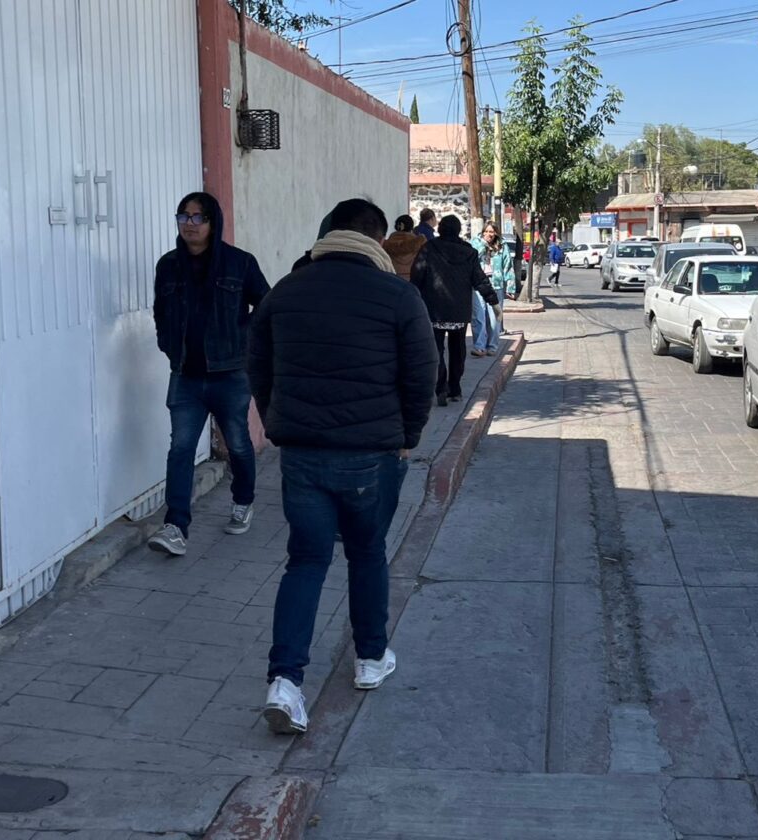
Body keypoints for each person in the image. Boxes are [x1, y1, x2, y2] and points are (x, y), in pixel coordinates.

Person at [247, 198, 437, 734]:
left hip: (302, 454)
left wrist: (278, 422)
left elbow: (257, 364)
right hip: (371, 456)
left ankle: (285, 684)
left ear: (326, 234)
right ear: (377, 240)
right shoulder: (398, 295)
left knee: (305, 562)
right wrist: (408, 437)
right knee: (367, 553)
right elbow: (421, 373)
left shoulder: (286, 291)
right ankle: (370, 658)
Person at [147, 192, 270, 557]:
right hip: (186, 375)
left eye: (198, 217)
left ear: (213, 222)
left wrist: (242, 342)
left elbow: (266, 305)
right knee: (181, 448)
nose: (190, 224)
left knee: (238, 444)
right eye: (183, 216)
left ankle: (243, 500)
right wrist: (169, 345)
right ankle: (175, 526)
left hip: (230, 375)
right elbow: (160, 312)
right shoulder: (168, 265)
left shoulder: (240, 263)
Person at [411, 215, 500, 406]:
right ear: (459, 230)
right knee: (458, 350)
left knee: (436, 350)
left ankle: (440, 387)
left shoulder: (429, 248)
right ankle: (455, 389)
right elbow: (480, 279)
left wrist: (411, 300)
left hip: (433, 309)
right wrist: (493, 301)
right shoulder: (469, 252)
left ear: (440, 229)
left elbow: (417, 275)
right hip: (459, 310)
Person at [470, 222, 514, 356]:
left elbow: (508, 266)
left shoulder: (502, 245)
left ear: (496, 233)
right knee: (478, 315)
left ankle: (492, 346)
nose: (489, 234)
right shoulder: (475, 243)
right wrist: (483, 245)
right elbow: (471, 258)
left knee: (494, 317)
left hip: (496, 283)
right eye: (486, 231)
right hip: (478, 283)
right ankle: (479, 347)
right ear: (483, 232)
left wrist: (510, 287)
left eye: (491, 232)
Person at [382, 215, 426, 280]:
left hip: (391, 278)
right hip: (412, 280)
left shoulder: (385, 243)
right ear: (411, 227)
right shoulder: (419, 243)